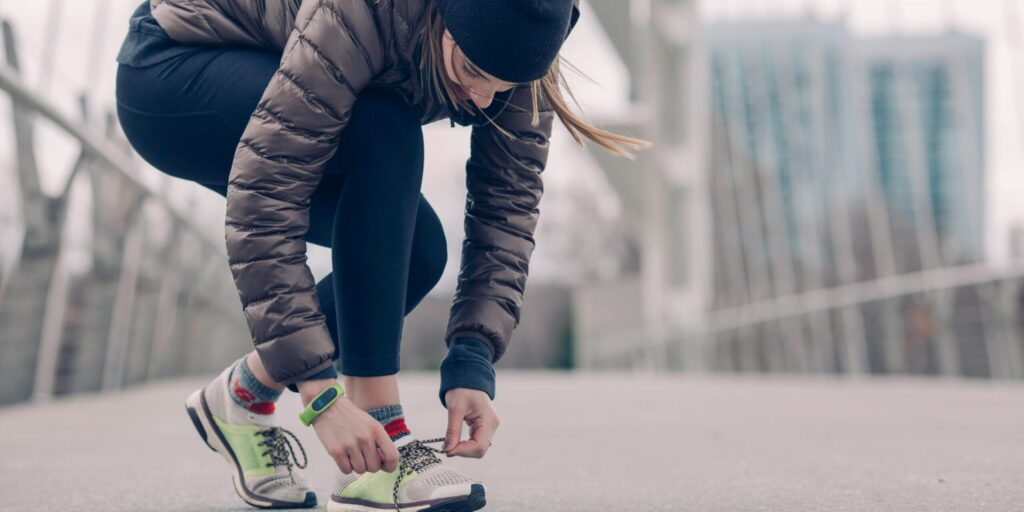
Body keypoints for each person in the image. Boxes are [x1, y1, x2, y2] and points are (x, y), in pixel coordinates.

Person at [114, 0, 649, 510]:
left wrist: (472, 359)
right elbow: (266, 196)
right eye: (472, 69)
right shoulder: (365, 11)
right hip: (172, 70)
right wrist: (320, 393)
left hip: (279, 74)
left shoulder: (528, 45)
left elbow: (506, 207)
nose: (484, 99)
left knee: (415, 249)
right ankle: (379, 446)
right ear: (444, 16)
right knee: (384, 127)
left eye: (502, 86)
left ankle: (244, 395)